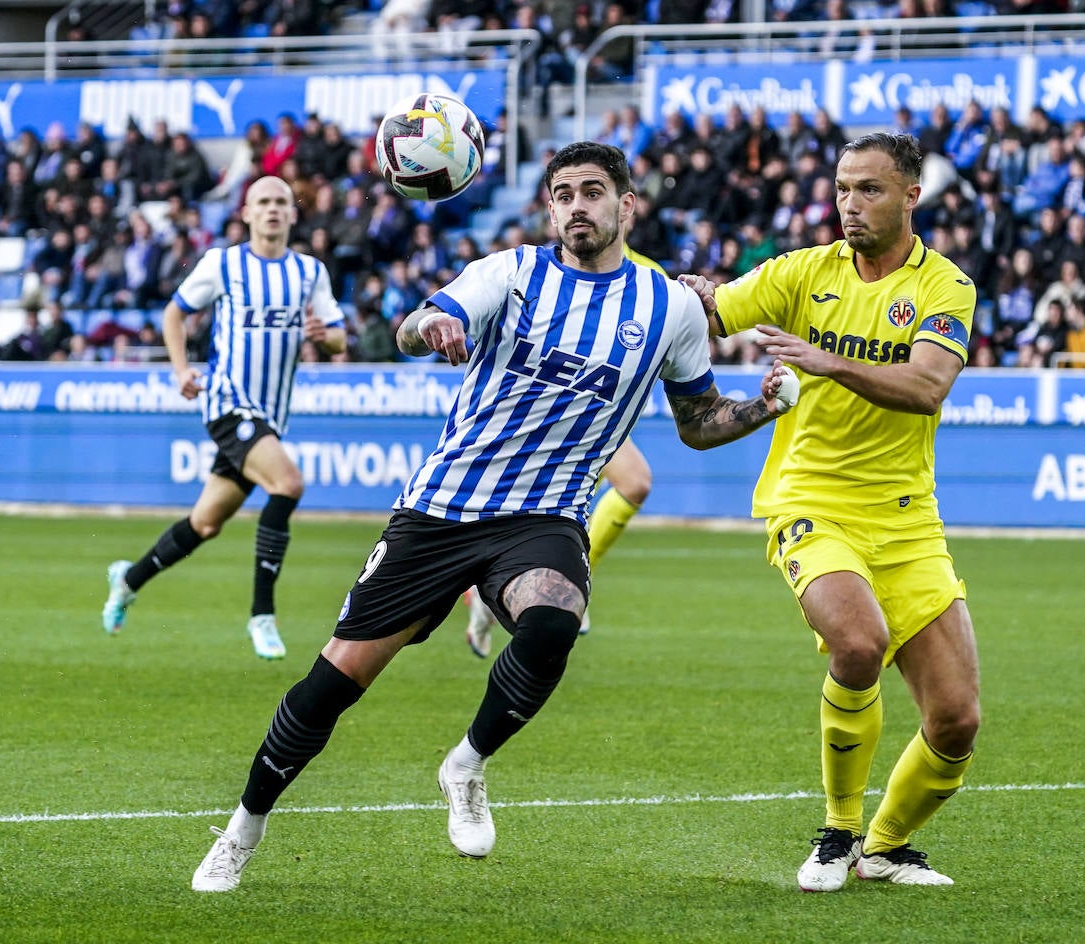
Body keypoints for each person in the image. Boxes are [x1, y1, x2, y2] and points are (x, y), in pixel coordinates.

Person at [188, 142, 794, 892]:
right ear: (549, 209)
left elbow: (697, 420)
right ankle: (244, 826)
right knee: (334, 683)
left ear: (627, 205)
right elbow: (415, 325)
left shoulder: (669, 307)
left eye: (593, 191)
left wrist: (760, 408)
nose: (577, 206)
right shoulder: (510, 273)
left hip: (546, 514)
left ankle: (466, 764)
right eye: (563, 194)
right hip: (443, 508)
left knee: (554, 620)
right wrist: (431, 328)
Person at [683, 132, 981, 890]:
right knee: (858, 642)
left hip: (908, 518)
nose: (850, 203)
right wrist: (676, 292)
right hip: (810, 499)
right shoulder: (801, 271)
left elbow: (926, 387)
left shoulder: (946, 287)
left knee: (956, 721)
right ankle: (839, 831)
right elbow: (712, 312)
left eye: (870, 189)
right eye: (843, 188)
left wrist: (826, 362)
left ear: (911, 196)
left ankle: (885, 847)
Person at [101, 176, 346, 660]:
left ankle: (127, 580)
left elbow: (339, 336)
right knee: (288, 484)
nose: (272, 209)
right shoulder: (223, 264)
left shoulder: (309, 272)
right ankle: (262, 615)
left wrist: (325, 335)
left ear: (292, 214)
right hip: (227, 403)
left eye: (280, 202)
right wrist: (180, 370)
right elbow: (174, 314)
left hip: (270, 414)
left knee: (205, 523)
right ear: (247, 213)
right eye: (263, 202)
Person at [461, 238, 664, 656]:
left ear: (626, 209)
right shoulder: (552, 264)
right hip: (551, 414)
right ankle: (538, 582)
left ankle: (505, 593)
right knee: (627, 484)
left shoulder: (652, 277)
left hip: (599, 417)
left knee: (628, 486)